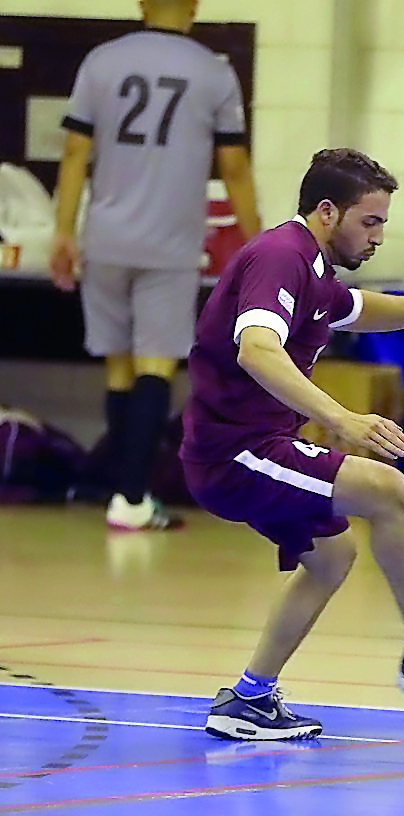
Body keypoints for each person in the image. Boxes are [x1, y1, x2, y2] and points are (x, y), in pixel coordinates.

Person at [183, 148, 404, 739]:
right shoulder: (280, 256)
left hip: (255, 446)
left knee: (332, 557)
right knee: (389, 490)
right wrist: (342, 419)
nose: (379, 236)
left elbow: (361, 311)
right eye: (371, 221)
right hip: (234, 452)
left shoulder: (313, 269)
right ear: (328, 212)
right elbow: (256, 348)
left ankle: (249, 699)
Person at [49, 0, 261, 531]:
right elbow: (233, 166)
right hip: (169, 243)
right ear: (194, 4)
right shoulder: (214, 72)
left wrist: (62, 231)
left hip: (104, 238)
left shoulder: (101, 61)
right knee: (157, 364)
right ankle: (133, 499)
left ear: (141, 2)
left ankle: (123, 491)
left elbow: (75, 153)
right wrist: (260, 244)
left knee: (118, 366)